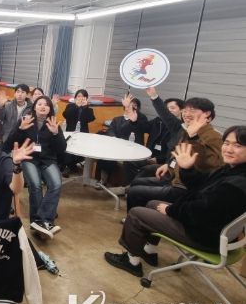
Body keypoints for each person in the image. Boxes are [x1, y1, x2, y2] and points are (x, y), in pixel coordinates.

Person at [104, 126, 246, 278]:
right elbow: (200, 188)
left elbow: (200, 211)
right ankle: (149, 251)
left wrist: (170, 210)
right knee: (152, 204)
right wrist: (187, 169)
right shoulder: (230, 170)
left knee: (136, 214)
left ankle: (131, 262)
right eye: (226, 143)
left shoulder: (236, 184)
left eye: (237, 145)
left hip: (204, 236)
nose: (228, 149)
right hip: (212, 230)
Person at [126, 96, 223, 213]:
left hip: (184, 187)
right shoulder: (186, 130)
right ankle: (142, 213)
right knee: (136, 182)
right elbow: (179, 154)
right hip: (173, 177)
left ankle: (138, 216)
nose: (186, 114)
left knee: (135, 191)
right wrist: (168, 164)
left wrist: (194, 137)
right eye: (185, 111)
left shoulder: (214, 136)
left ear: (207, 114)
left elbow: (209, 164)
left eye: (192, 110)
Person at [4, 96, 67, 239]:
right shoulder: (25, 121)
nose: (43, 106)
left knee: (56, 184)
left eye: (46, 104)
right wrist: (20, 129)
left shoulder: (53, 123)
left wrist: (56, 133)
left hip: (48, 160)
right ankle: (39, 222)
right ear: (34, 107)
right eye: (39, 104)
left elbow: (62, 149)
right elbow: (8, 143)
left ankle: (43, 220)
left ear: (50, 108)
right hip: (29, 158)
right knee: (35, 185)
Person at [96, 93, 148, 186]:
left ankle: (126, 187)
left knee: (129, 163)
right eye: (129, 105)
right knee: (104, 154)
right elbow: (111, 131)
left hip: (134, 150)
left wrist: (133, 115)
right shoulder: (117, 119)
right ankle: (103, 179)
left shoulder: (141, 119)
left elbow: (143, 127)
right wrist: (114, 138)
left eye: (134, 106)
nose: (131, 107)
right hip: (117, 147)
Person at [60, 89, 96, 177]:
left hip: (83, 133)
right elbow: (66, 115)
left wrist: (85, 107)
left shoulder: (89, 109)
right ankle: (67, 166)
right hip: (70, 131)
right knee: (68, 148)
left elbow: (90, 119)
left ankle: (72, 165)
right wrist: (76, 106)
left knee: (80, 150)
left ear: (86, 98)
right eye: (79, 96)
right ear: (75, 98)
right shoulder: (70, 106)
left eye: (83, 97)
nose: (81, 98)